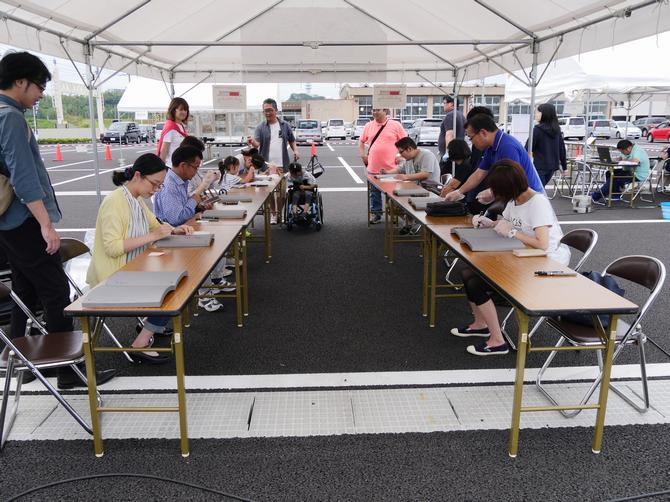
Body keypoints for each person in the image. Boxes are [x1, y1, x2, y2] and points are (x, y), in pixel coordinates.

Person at [0, 51, 117, 389]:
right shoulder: (11, 118)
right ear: (20, 81)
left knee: (24, 289)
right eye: (39, 86)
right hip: (23, 221)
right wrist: (46, 225)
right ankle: (68, 370)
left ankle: (21, 364)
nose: (41, 94)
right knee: (55, 291)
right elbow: (24, 178)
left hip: (7, 223)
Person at [451, 159, 570, 356]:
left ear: (509, 187)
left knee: (476, 282)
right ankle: (480, 324)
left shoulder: (537, 203)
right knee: (468, 273)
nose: (495, 193)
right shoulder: (514, 199)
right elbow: (506, 222)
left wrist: (513, 233)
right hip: (522, 254)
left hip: (545, 261)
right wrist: (489, 223)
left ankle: (497, 341)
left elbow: (542, 244)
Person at [87, 154, 194, 364]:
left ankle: (150, 325)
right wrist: (154, 235)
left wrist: (174, 230)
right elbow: (112, 247)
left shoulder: (135, 199)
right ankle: (141, 342)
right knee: (174, 288)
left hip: (131, 269)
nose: (155, 190)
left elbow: (155, 224)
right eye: (154, 184)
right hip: (112, 278)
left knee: (178, 280)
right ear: (138, 175)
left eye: (159, 186)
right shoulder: (114, 202)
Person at [154, 146, 232, 311]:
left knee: (217, 238)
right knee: (204, 248)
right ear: (183, 165)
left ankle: (215, 280)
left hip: (183, 228)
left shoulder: (180, 181)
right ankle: (204, 294)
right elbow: (176, 218)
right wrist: (196, 198)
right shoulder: (170, 185)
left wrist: (198, 206)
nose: (196, 171)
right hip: (172, 234)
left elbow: (182, 211)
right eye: (195, 167)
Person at [444, 113, 544, 204]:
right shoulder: (491, 147)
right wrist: (459, 192)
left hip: (531, 200)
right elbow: (479, 174)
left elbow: (512, 179)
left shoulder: (507, 146)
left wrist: (492, 192)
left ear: (483, 133)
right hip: (517, 198)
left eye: (471, 138)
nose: (472, 142)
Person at [247, 98, 299, 224]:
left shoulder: (285, 125)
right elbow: (257, 143)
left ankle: (279, 212)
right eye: (265, 110)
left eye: (270, 110)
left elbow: (292, 140)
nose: (268, 113)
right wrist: (252, 142)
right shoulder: (261, 127)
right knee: (269, 192)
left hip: (282, 165)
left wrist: (296, 151)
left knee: (282, 193)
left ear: (276, 110)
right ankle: (273, 214)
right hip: (267, 166)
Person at [358, 108, 407, 224]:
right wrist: (362, 155)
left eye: (377, 110)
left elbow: (405, 141)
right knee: (374, 193)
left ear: (385, 111)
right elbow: (361, 141)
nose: (374, 112)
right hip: (373, 167)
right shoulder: (369, 125)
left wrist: (400, 155)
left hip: (392, 168)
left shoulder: (395, 125)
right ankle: (376, 213)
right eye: (373, 110)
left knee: (392, 192)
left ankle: (394, 213)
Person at [528, 103, 567, 186]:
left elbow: (528, 148)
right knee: (541, 189)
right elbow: (562, 149)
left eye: (538, 112)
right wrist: (564, 167)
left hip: (539, 166)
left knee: (538, 190)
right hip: (552, 167)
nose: (535, 114)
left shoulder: (537, 130)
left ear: (544, 114)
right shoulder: (557, 130)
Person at [438, 95, 466, 176]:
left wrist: (448, 151)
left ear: (451, 104)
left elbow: (449, 134)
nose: (443, 105)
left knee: (444, 177)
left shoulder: (450, 115)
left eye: (444, 103)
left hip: (451, 154)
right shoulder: (461, 115)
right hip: (458, 152)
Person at [157, 97, 189, 167]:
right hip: (171, 166)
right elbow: (163, 152)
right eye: (181, 109)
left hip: (181, 166)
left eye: (185, 110)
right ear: (174, 110)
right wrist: (162, 169)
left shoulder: (181, 126)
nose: (184, 112)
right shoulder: (170, 128)